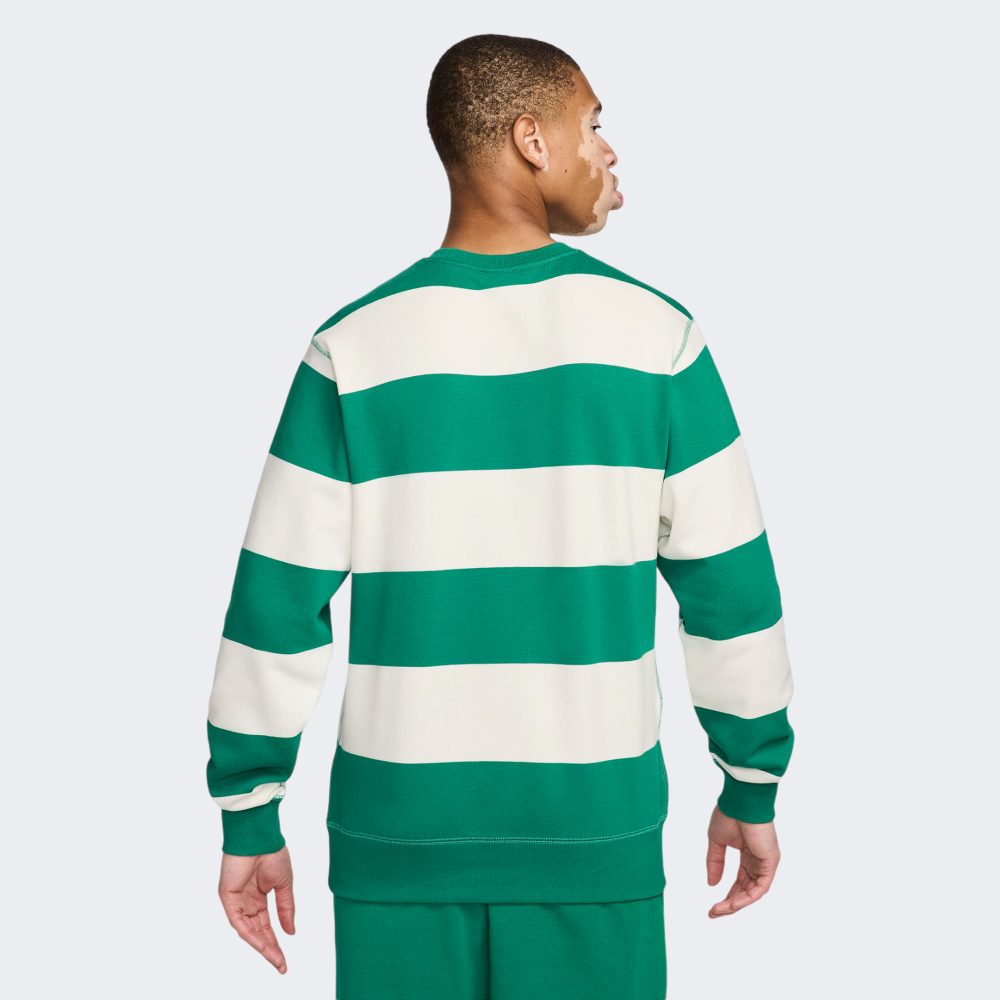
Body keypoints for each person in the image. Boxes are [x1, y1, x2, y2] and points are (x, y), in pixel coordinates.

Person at [206, 33, 795, 999]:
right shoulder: (660, 342)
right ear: (531, 140)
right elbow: (732, 593)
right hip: (592, 835)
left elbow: (274, 603)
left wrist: (249, 811)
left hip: (398, 839)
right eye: (593, 124)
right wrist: (750, 780)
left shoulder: (354, 347)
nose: (609, 151)